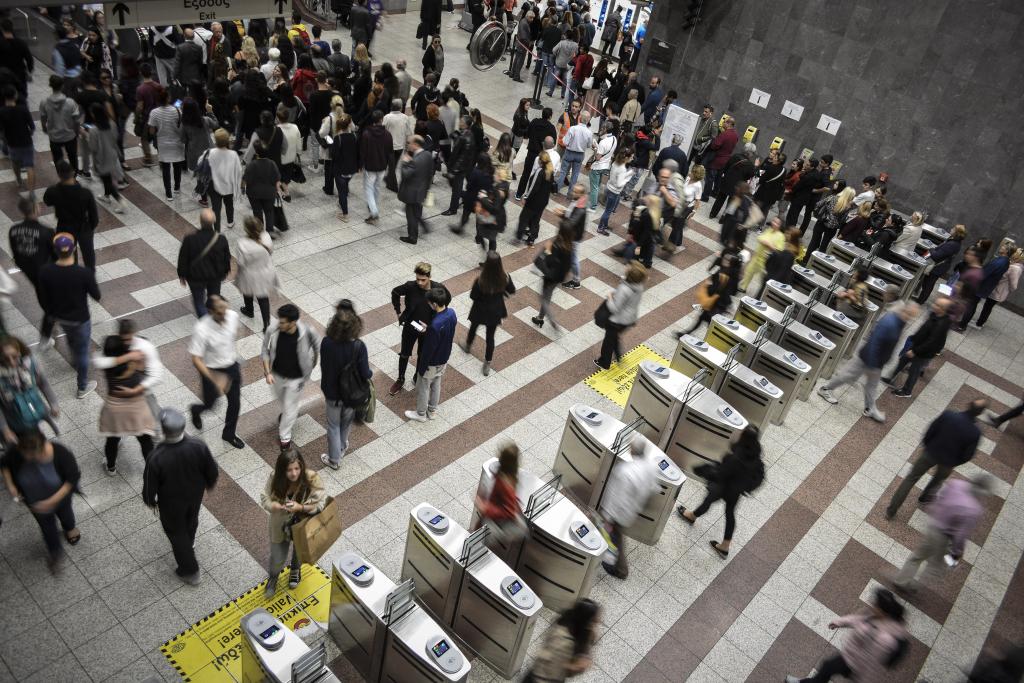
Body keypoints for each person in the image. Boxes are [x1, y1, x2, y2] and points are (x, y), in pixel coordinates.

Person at [142, 409, 218, 585]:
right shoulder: (198, 446)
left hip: (171, 503)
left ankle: (191, 570)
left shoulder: (157, 457)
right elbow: (212, 471)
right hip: (194, 495)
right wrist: (208, 484)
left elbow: (149, 487)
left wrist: (150, 501)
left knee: (176, 533)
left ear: (164, 430)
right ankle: (190, 541)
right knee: (192, 519)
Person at [884, 398, 987, 518]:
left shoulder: (949, 415)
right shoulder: (975, 432)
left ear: (969, 404)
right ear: (980, 413)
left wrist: (927, 446)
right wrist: (954, 462)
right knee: (938, 480)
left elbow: (931, 430)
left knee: (911, 478)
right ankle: (924, 497)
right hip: (948, 463)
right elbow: (967, 456)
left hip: (930, 453)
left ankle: (891, 511)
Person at [819, 302, 919, 422]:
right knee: (848, 375)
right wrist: (872, 363)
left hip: (877, 360)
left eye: (912, 316)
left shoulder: (900, 321)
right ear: (905, 311)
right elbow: (875, 342)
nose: (910, 317)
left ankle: (870, 408)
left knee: (870, 385)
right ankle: (825, 389)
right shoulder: (890, 322)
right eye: (910, 314)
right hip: (869, 358)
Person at [784, 588, 908, 683]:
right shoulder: (876, 616)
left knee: (827, 667)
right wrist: (840, 622)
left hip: (855, 666)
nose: (872, 605)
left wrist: (861, 679)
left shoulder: (883, 639)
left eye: (876, 605)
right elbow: (858, 619)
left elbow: (872, 663)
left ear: (883, 611)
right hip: (851, 656)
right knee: (827, 668)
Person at [2, 430, 81, 573]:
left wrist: (50, 502)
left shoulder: (61, 454)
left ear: (42, 448)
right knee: (47, 527)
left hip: (60, 499)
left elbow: (72, 480)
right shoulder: (19, 450)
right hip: (35, 503)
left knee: (66, 515)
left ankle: (70, 528)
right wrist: (11, 486)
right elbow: (5, 464)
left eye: (30, 456)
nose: (25, 458)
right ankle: (55, 552)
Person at [894, 474, 989, 593]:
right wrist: (957, 552)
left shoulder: (956, 484)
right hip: (945, 538)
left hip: (933, 526)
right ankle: (915, 586)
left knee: (917, 556)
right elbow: (961, 534)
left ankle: (900, 581)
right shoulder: (974, 510)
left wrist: (934, 510)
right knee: (935, 566)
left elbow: (939, 497)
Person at [37, 234, 100, 399]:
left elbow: (43, 297)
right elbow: (97, 295)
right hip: (80, 318)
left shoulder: (45, 272)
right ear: (73, 250)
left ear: (55, 252)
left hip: (60, 317)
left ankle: (74, 358)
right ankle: (82, 387)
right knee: (83, 351)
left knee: (72, 338)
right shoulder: (83, 273)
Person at [261, 448, 326, 596]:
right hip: (280, 524)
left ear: (302, 466)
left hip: (302, 524)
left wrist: (301, 507)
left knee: (299, 550)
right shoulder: (274, 478)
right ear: (282, 469)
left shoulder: (312, 479)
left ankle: (295, 570)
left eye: (297, 468)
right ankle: (273, 576)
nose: (294, 473)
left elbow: (320, 504)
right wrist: (273, 506)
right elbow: (264, 497)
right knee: (277, 552)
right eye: (289, 470)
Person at [188, 295, 245, 449]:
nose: (225, 315)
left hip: (231, 366)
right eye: (220, 312)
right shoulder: (201, 328)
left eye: (226, 309)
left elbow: (235, 333)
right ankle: (195, 410)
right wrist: (215, 378)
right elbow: (196, 359)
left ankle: (229, 434)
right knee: (211, 405)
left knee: (235, 403)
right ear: (210, 311)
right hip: (211, 370)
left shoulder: (232, 315)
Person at [320, 301, 372, 469]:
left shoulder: (326, 343)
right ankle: (342, 447)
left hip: (332, 394)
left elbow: (324, 366)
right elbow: (365, 373)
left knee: (333, 425)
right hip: (352, 394)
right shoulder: (358, 346)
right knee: (346, 422)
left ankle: (334, 460)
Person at [598, 435, 658, 578]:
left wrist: (608, 517)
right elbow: (654, 488)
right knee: (615, 536)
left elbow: (618, 498)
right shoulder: (650, 466)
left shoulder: (625, 471)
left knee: (615, 538)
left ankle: (620, 570)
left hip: (620, 514)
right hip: (633, 510)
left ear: (632, 451)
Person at [262, 305, 320, 452]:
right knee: (282, 401)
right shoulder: (273, 329)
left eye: (283, 322)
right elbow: (265, 350)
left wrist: (311, 365)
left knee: (290, 407)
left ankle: (284, 437)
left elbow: (317, 347)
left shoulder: (307, 332)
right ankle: (287, 417)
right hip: (277, 376)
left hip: (297, 379)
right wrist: (267, 372)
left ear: (293, 322)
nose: (279, 324)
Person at [95, 334, 156, 474]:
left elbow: (99, 359)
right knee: (146, 441)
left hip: (115, 409)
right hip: (137, 408)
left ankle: (111, 467)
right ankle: (152, 468)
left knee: (112, 440)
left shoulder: (107, 366)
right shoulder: (135, 362)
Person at [390, 263, 449, 395]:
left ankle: (417, 376)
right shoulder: (411, 286)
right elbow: (395, 292)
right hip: (411, 325)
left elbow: (446, 302)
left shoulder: (438, 288)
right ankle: (400, 379)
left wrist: (435, 322)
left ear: (429, 277)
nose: (420, 282)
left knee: (422, 354)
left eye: (423, 280)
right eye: (417, 279)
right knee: (405, 353)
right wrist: (398, 312)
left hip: (427, 329)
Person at [405, 287, 456, 422]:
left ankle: (421, 413)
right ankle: (432, 411)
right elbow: (444, 333)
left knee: (424, 387)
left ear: (434, 304)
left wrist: (421, 368)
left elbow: (428, 350)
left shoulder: (434, 326)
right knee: (436, 384)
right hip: (444, 358)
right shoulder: (451, 314)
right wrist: (429, 330)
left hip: (431, 363)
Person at [884, 297, 952, 397]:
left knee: (914, 371)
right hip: (917, 345)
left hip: (923, 352)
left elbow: (931, 342)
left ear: (942, 309)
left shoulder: (941, 324)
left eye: (937, 305)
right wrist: (914, 339)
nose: (933, 305)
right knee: (903, 360)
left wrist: (915, 351)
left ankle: (907, 391)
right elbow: (925, 330)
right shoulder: (935, 315)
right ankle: (890, 378)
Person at [462, 252, 516, 376]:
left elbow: (473, 296)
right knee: (490, 337)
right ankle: (487, 363)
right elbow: (512, 290)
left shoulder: (480, 280)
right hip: (495, 311)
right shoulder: (505, 277)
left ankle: (468, 346)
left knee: (473, 327)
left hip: (480, 310)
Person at [8, 197, 55, 336]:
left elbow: (15, 252)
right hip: (45, 272)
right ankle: (45, 335)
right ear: (37, 208)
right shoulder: (46, 231)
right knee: (51, 305)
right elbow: (56, 255)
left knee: (41, 293)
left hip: (28, 271)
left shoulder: (13, 230)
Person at [0, 337, 59, 444]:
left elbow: (43, 384)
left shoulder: (29, 364)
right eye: (5, 359)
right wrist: (5, 429)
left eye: (14, 356)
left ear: (19, 351)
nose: (11, 362)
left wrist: (53, 404)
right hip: (12, 421)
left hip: (33, 412)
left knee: (36, 443)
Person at [42, 160, 99, 271]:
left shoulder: (53, 191)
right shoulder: (85, 193)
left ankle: (73, 269)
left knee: (66, 252)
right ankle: (90, 273)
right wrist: (90, 227)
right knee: (88, 253)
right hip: (83, 227)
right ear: (73, 172)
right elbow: (94, 216)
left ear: (59, 175)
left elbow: (47, 201)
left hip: (64, 226)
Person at [523, 599, 599, 682]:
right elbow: (553, 671)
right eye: (593, 621)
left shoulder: (569, 620)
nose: (598, 622)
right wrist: (576, 667)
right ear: (585, 622)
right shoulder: (563, 642)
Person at [177, 209, 231, 317]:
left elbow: (183, 258)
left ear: (200, 221)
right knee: (214, 300)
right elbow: (226, 257)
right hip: (215, 276)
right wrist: (225, 271)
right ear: (214, 221)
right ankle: (213, 318)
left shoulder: (190, 239)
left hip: (195, 277)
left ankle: (204, 321)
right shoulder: (220, 239)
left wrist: (182, 275)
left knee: (198, 301)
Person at [595, 261, 646, 370]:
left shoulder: (624, 288)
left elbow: (614, 308)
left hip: (617, 321)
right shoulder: (640, 285)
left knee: (608, 342)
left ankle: (604, 363)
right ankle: (618, 357)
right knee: (614, 337)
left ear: (630, 274)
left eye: (628, 267)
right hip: (630, 318)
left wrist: (609, 297)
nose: (626, 266)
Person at [677, 252, 740, 338]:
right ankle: (686, 334)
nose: (724, 260)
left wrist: (713, 288)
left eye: (727, 260)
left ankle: (712, 341)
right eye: (725, 258)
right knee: (702, 319)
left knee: (708, 322)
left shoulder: (730, 276)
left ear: (731, 263)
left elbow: (728, 291)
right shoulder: (723, 270)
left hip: (718, 303)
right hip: (714, 301)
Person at [474, 443, 525, 543]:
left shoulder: (504, 482)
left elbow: (509, 511)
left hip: (493, 524)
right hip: (492, 521)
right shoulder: (511, 475)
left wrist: (485, 508)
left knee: (477, 544)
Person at [960, 241, 1014, 330]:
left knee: (971, 305)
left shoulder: (999, 262)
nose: (1001, 247)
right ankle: (963, 323)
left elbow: (984, 274)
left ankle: (962, 325)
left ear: (1007, 251)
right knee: (972, 304)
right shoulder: (1005, 261)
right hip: (985, 286)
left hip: (981, 286)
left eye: (1003, 247)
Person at [532, 223, 575, 330]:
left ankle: (552, 320)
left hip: (550, 276)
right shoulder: (570, 246)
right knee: (547, 296)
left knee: (543, 298)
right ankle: (540, 318)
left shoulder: (557, 244)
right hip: (559, 277)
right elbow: (569, 263)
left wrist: (547, 249)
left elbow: (550, 260)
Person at [86, 102, 125, 213]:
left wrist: (94, 163)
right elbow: (116, 138)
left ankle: (120, 201)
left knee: (106, 180)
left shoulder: (94, 129)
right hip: (112, 155)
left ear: (94, 114)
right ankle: (106, 196)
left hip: (101, 158)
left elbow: (93, 148)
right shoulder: (112, 124)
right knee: (107, 178)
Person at [147, 89, 186, 200]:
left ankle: (168, 194)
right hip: (176, 142)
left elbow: (151, 131)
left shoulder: (154, 112)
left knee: (165, 168)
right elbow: (182, 125)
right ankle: (177, 188)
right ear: (168, 98)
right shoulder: (177, 110)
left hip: (163, 143)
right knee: (177, 166)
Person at [802, 186, 855, 265]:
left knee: (814, 241)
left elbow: (818, 204)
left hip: (822, 221)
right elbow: (843, 220)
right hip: (832, 228)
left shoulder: (832, 197)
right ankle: (815, 264)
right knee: (824, 245)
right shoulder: (848, 206)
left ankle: (805, 261)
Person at [40, 75, 81, 174]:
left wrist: (45, 129)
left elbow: (43, 118)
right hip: (70, 136)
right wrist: (77, 131)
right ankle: (74, 175)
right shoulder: (70, 102)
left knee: (58, 159)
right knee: (72, 156)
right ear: (62, 86)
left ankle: (62, 177)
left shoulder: (44, 102)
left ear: (50, 86)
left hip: (54, 137)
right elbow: (76, 120)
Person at [243, 141, 285, 236]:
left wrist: (242, 188)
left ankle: (259, 231)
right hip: (269, 193)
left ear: (256, 153)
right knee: (269, 211)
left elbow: (245, 179)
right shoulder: (272, 164)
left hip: (254, 193)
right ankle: (269, 231)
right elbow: (277, 180)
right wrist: (279, 191)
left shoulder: (251, 165)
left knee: (257, 212)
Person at [399, 135, 435, 244]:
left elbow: (405, 175)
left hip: (411, 193)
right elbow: (430, 174)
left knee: (411, 216)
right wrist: (427, 189)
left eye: (409, 143)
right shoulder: (428, 155)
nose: (408, 145)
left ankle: (412, 237)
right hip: (421, 192)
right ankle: (419, 230)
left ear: (415, 144)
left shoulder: (415, 160)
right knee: (417, 213)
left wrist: (405, 162)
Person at [515, 149, 555, 246]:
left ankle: (518, 237)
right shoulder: (550, 171)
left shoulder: (540, 172)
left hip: (533, 201)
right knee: (536, 219)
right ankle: (532, 238)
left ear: (540, 160)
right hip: (543, 201)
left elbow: (533, 187)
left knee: (523, 218)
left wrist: (525, 197)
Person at [975, 246, 1023, 328]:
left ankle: (979, 323)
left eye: (1015, 253)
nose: (1013, 254)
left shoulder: (1015, 268)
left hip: (999, 291)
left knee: (988, 307)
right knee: (987, 306)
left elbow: (1014, 285)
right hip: (996, 289)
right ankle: (980, 322)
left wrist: (1006, 288)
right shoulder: (1012, 264)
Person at [515, 108, 557, 200]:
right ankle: (528, 194)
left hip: (531, 152)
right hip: (542, 155)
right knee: (535, 175)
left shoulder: (534, 122)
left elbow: (527, 134)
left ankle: (519, 193)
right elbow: (553, 143)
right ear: (550, 116)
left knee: (526, 173)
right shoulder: (551, 128)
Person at [206, 128, 242, 231]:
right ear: (228, 140)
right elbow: (238, 171)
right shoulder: (233, 154)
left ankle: (216, 229)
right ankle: (230, 222)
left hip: (213, 185)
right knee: (229, 204)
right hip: (228, 185)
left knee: (216, 208)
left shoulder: (210, 153)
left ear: (215, 141)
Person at [739, 216, 785, 293]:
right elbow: (760, 237)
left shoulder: (781, 236)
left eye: (777, 223)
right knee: (749, 271)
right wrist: (765, 242)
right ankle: (743, 287)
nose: (774, 223)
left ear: (780, 226)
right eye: (774, 221)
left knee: (764, 279)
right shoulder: (769, 230)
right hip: (757, 256)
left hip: (767, 261)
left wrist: (768, 244)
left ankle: (762, 294)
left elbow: (779, 250)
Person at [554, 111, 592, 196]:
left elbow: (565, 142)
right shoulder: (589, 132)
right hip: (580, 155)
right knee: (575, 174)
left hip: (569, 152)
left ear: (580, 118)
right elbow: (589, 145)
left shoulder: (573, 128)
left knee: (563, 172)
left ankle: (556, 190)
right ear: (588, 120)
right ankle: (570, 194)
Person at [701, 115, 738, 202]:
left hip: (717, 159)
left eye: (725, 121)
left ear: (729, 124)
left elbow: (715, 146)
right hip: (726, 160)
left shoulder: (724, 134)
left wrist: (713, 142)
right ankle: (715, 193)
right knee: (718, 178)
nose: (723, 123)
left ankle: (705, 196)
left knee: (710, 178)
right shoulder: (735, 135)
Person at [383, 100, 411, 191]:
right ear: (400, 108)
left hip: (389, 146)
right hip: (400, 146)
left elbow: (382, 130)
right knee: (393, 165)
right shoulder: (405, 117)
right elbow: (408, 133)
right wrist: (407, 146)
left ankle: (391, 184)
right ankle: (390, 181)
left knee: (392, 165)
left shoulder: (387, 117)